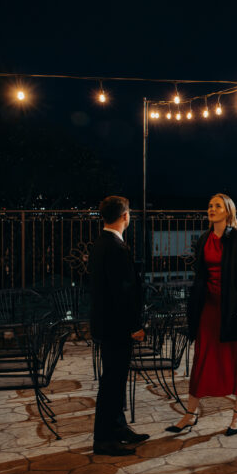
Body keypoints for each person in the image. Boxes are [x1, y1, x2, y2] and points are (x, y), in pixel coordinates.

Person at [170, 194, 237, 436]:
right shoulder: (204, 239)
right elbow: (199, 274)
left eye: (217, 206)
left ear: (228, 211)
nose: (211, 209)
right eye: (209, 205)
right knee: (203, 358)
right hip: (208, 307)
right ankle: (191, 414)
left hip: (232, 309)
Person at [89, 195, 148, 456]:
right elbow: (123, 292)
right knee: (112, 382)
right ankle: (103, 439)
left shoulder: (101, 244)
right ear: (125, 216)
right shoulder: (115, 247)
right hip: (116, 327)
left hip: (106, 324)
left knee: (115, 379)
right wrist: (134, 326)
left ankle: (119, 427)